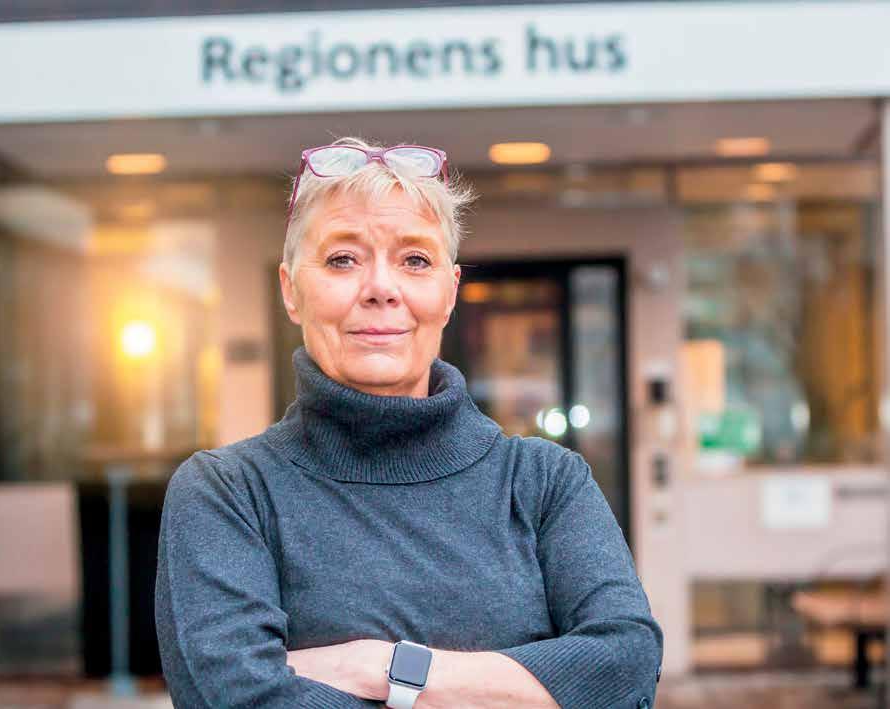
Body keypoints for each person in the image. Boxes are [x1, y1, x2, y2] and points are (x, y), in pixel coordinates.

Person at [155, 137, 663, 708]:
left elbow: (625, 667)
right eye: (342, 259)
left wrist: (381, 668)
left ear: (450, 292)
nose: (381, 289)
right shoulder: (228, 493)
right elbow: (240, 699)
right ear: (290, 291)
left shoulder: (546, 482)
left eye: (415, 260)